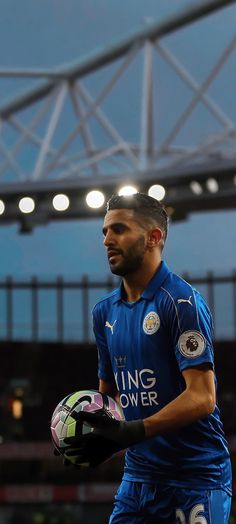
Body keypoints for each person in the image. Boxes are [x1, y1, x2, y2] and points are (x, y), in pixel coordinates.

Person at [66, 192, 232, 523]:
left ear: (153, 237)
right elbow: (109, 398)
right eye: (104, 232)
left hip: (195, 479)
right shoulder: (104, 313)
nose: (107, 240)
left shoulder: (181, 303)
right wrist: (86, 431)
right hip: (138, 481)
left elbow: (202, 397)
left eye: (120, 229)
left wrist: (135, 430)